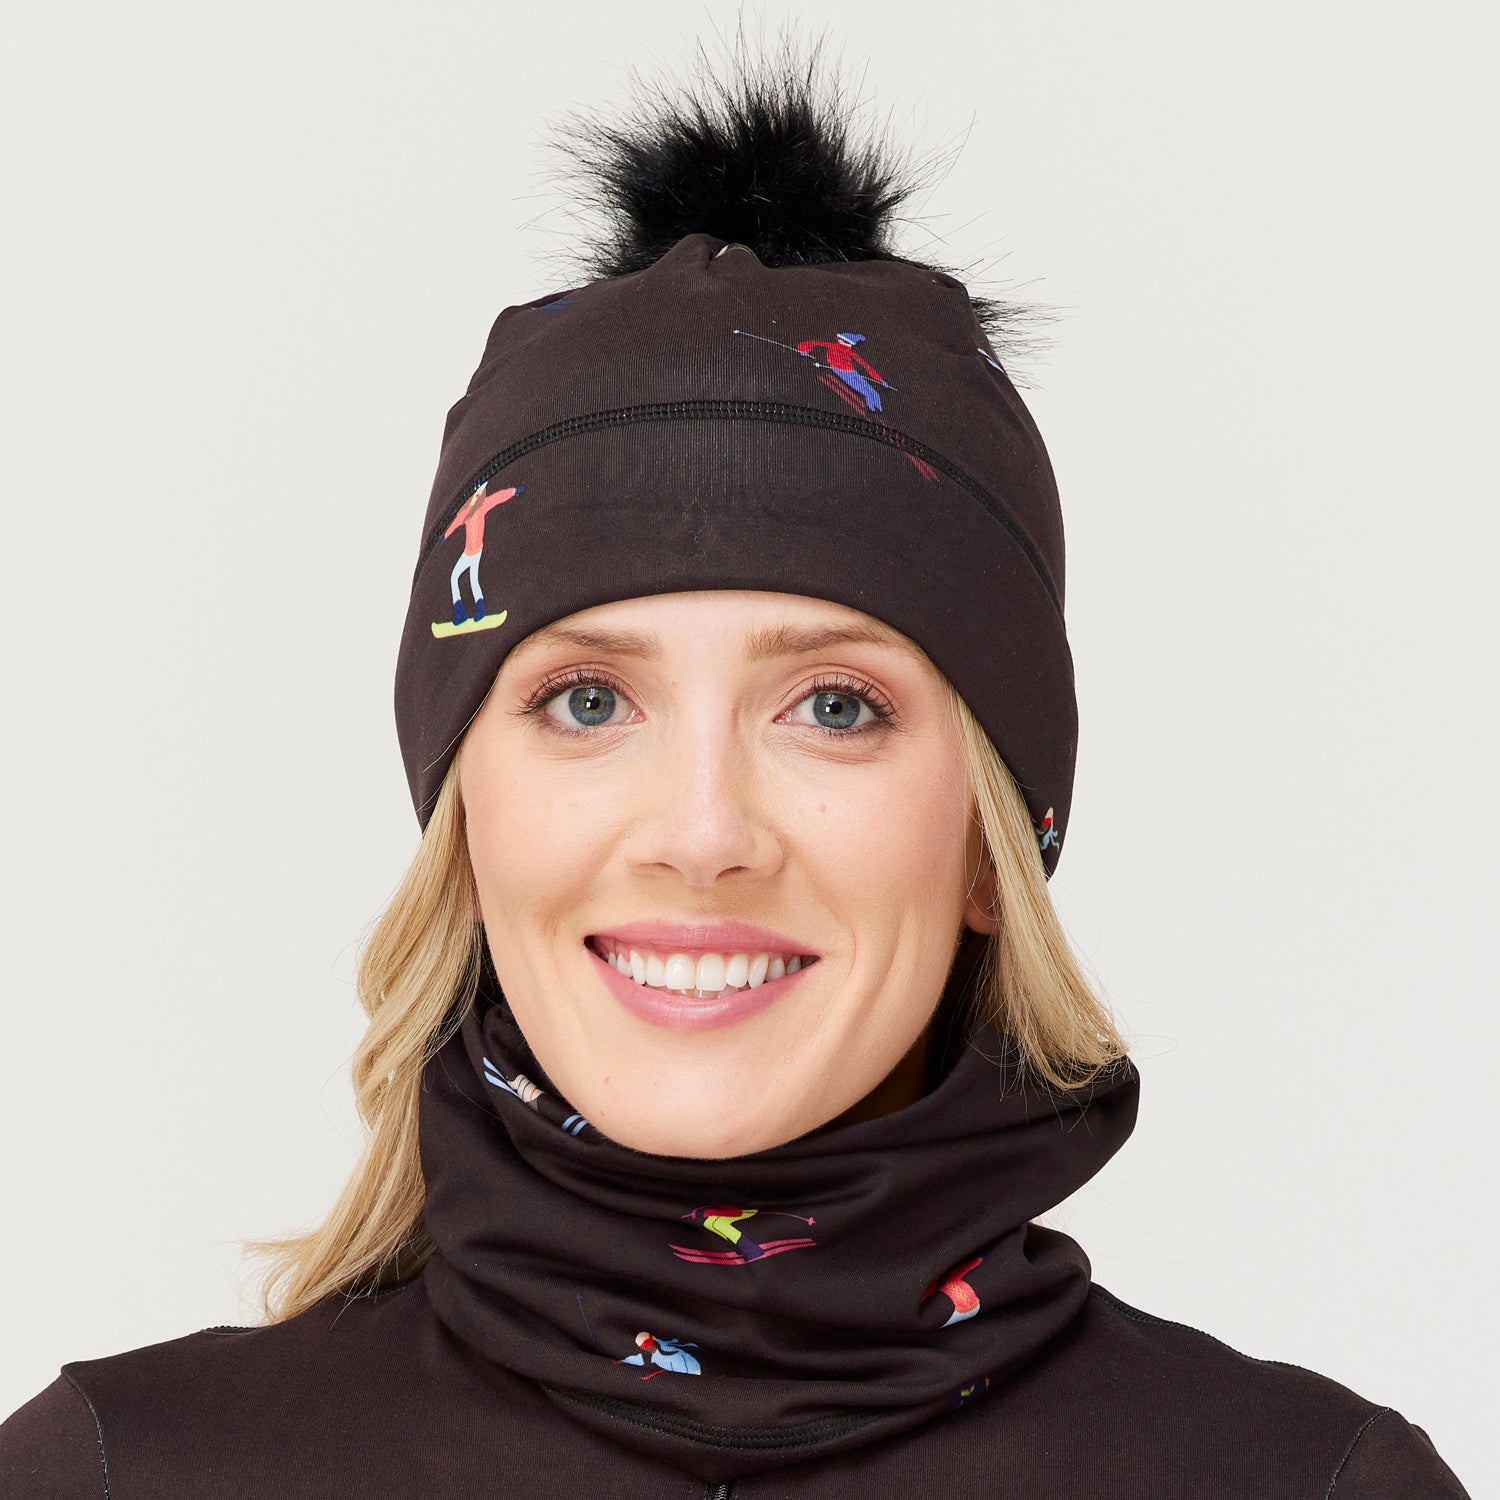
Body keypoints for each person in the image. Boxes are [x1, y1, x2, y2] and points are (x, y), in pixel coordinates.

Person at [0, 35, 1471, 1500]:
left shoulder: (1310, 1487)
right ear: (466, 817)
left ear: (992, 834)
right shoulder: (117, 1476)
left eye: (833, 706)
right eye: (588, 702)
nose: (703, 832)